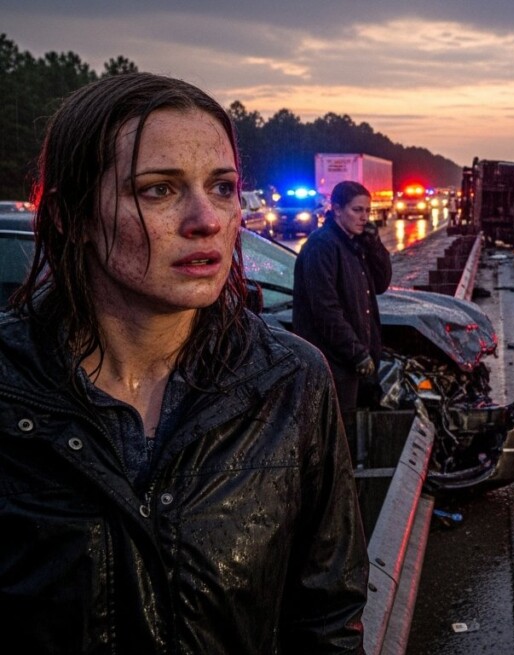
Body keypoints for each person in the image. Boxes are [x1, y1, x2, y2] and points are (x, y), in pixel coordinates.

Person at [0, 73, 368, 650]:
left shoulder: (291, 382)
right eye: (158, 190)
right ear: (72, 215)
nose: (208, 220)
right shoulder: (9, 386)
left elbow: (328, 619)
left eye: (222, 187)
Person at [293, 180, 393, 426]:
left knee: (356, 430)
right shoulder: (322, 246)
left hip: (353, 364)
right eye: (357, 210)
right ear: (337, 209)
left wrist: (375, 245)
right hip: (334, 365)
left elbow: (381, 284)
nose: (364, 217)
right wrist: (356, 353)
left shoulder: (354, 244)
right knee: (337, 430)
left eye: (367, 211)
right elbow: (325, 309)